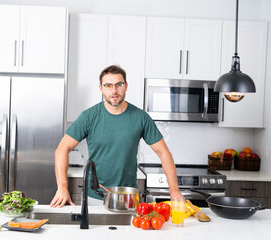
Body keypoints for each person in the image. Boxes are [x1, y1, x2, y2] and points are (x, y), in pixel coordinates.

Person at [50, 65, 182, 207]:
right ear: (101, 88)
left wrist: (174, 190)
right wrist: (62, 188)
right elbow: (62, 149)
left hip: (128, 197)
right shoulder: (88, 116)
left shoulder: (141, 117)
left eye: (119, 85)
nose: (114, 91)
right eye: (108, 85)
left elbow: (163, 153)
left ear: (126, 86)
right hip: (95, 196)